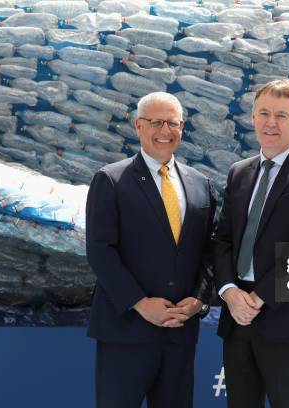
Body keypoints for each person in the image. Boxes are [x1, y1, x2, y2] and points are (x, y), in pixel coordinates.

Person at [85, 92, 216, 408]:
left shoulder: (202, 184)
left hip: (180, 333)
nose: (164, 130)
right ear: (138, 126)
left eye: (172, 123)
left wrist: (199, 300)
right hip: (126, 331)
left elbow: (210, 251)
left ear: (182, 127)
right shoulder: (111, 179)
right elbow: (100, 250)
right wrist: (141, 303)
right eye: (156, 122)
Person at [213, 79, 289, 407]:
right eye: (264, 113)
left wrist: (256, 299)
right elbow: (223, 239)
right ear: (252, 118)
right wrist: (230, 292)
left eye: (281, 115)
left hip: (285, 314)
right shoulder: (238, 172)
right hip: (237, 314)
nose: (271, 122)